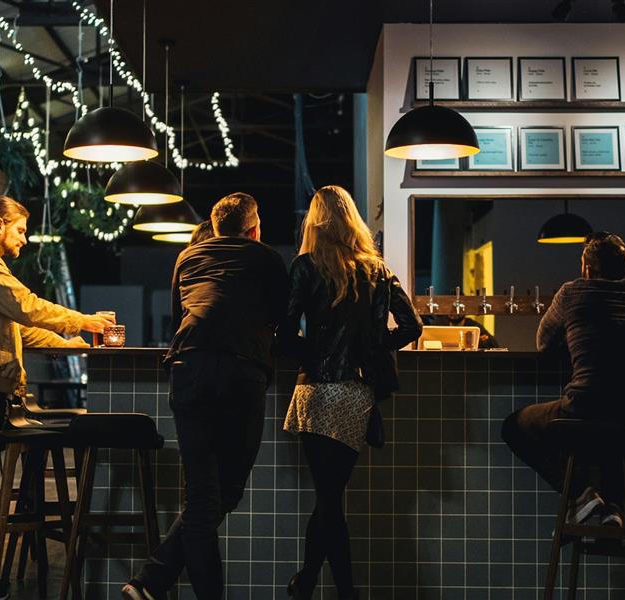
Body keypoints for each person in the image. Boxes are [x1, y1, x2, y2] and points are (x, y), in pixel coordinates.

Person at [0, 196, 114, 600]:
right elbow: (24, 305)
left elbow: (21, 329)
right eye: (20, 229)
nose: (26, 237)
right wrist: (82, 320)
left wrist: (71, 342)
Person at [122, 193, 289, 600]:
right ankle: (151, 581)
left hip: (189, 370)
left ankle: (150, 582)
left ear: (214, 227)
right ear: (254, 228)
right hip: (240, 373)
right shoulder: (266, 258)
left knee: (202, 498)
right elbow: (282, 322)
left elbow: (181, 318)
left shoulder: (187, 258)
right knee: (223, 494)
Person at [280, 185, 423, 600]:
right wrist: (375, 348)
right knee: (330, 496)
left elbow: (286, 336)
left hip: (314, 393)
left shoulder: (305, 266)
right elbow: (413, 326)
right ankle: (313, 582)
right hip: (355, 394)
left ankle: (337, 588)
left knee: (328, 499)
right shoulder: (376, 269)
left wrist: (318, 352)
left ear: (315, 221)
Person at [501, 232, 625, 528]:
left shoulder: (572, 292)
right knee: (614, 429)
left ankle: (582, 498)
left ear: (586, 268)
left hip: (587, 413)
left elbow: (544, 342)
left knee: (514, 426)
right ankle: (613, 509)